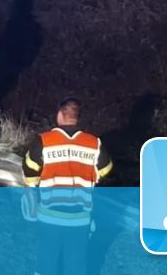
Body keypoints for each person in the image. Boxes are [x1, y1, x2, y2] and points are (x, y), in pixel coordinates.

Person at [22, 98, 114, 275]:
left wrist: (32, 193)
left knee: (46, 263)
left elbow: (29, 172)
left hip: (49, 215)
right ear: (77, 118)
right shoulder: (94, 143)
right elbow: (106, 169)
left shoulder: (44, 141)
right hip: (80, 217)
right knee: (76, 264)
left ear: (59, 115)